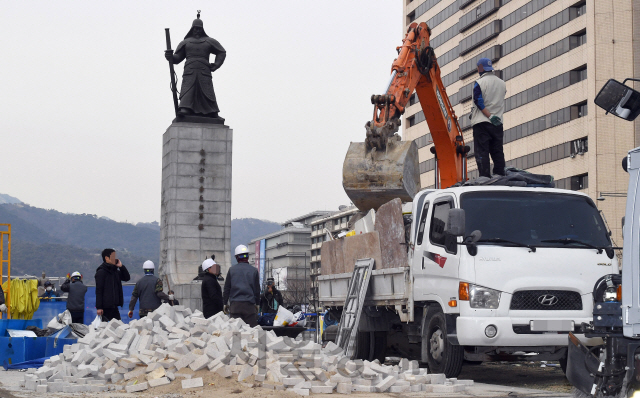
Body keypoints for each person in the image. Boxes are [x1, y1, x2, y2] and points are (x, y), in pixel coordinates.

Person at [164, 13, 226, 118]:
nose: (197, 30)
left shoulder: (209, 41)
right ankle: (185, 108)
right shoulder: (186, 42)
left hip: (204, 70)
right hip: (190, 70)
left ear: (202, 29)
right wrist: (170, 57)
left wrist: (216, 65)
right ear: (192, 29)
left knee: (207, 90)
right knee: (188, 88)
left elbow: (222, 52)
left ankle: (212, 111)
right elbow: (177, 58)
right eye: (195, 28)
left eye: (199, 28)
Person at [470, 57, 507, 178]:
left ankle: (485, 177)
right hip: (497, 123)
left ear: (480, 68)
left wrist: (489, 116)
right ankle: (500, 174)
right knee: (497, 150)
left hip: (482, 122)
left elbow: (478, 101)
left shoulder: (480, 83)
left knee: (482, 151)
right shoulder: (502, 83)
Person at [223, 245, 260, 327]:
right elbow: (257, 290)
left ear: (237, 257)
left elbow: (227, 288)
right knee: (251, 333)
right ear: (247, 256)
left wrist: (225, 302)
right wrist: (257, 303)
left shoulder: (232, 270)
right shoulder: (254, 271)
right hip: (249, 308)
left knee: (235, 333)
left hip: (235, 306)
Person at [95, 248, 131, 321]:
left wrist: (121, 267)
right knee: (104, 328)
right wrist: (99, 307)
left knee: (118, 327)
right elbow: (99, 290)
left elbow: (126, 277)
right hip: (105, 307)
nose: (115, 258)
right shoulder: (101, 272)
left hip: (114, 306)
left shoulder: (115, 272)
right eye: (113, 256)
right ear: (106, 258)